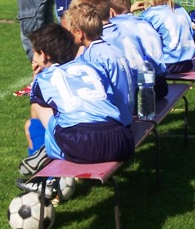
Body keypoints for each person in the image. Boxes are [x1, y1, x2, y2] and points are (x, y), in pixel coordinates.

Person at [20, 23, 134, 171]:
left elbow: (38, 99)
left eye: (35, 52)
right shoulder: (92, 66)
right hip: (120, 139)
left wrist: (36, 76)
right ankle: (46, 157)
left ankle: (47, 177)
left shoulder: (46, 77)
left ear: (44, 55)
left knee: (37, 109)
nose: (33, 58)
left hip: (81, 142)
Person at [64, 2, 136, 126]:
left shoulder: (91, 57)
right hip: (127, 114)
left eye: (71, 30)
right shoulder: (112, 49)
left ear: (79, 33)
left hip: (113, 123)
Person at [134, 0, 195, 75]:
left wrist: (130, 10)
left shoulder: (150, 15)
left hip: (167, 64)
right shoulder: (180, 10)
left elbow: (131, 32)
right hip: (187, 63)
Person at [106, 0, 169, 100]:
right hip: (160, 85)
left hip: (137, 92)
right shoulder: (145, 23)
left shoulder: (112, 30)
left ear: (110, 12)